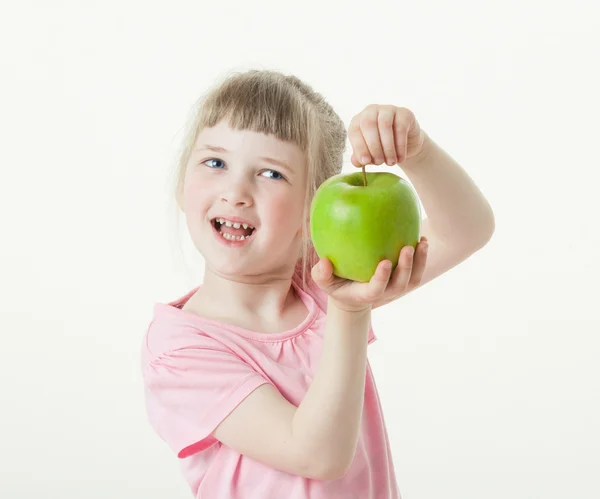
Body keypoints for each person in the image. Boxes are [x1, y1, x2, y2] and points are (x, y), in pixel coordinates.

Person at [140, 69, 495, 498]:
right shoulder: (179, 350)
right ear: (183, 183)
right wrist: (348, 310)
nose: (235, 191)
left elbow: (467, 230)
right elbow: (317, 455)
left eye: (271, 174)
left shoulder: (322, 278)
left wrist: (416, 153)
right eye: (215, 162)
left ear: (315, 209)